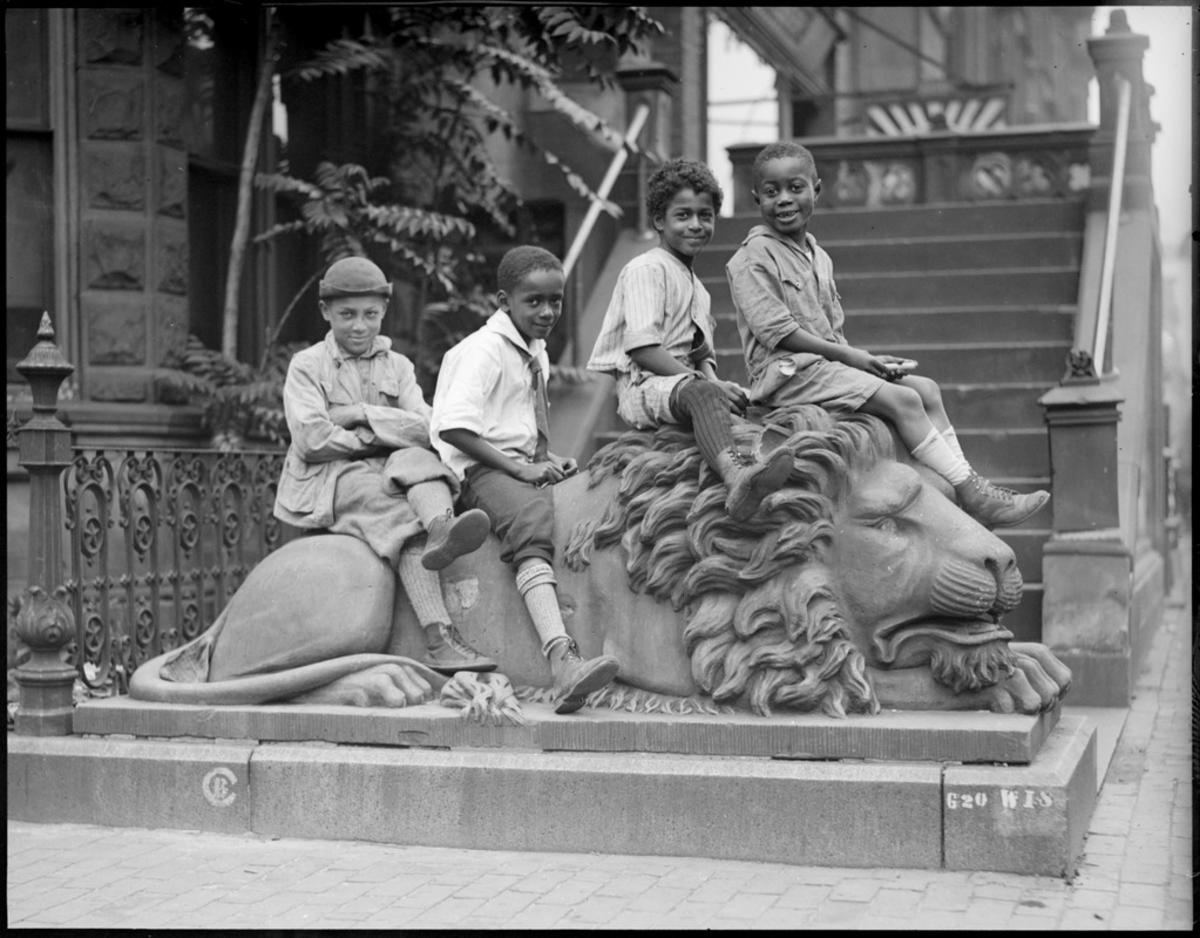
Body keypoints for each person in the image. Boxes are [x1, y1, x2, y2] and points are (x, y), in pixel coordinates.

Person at [725, 142, 1049, 528]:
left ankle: (970, 490)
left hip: (824, 368)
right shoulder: (752, 257)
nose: (783, 199)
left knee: (926, 389)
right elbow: (778, 332)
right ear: (756, 198)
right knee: (904, 400)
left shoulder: (817, 255)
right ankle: (973, 494)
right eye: (771, 191)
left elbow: (831, 333)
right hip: (787, 377)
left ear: (817, 190)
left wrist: (869, 363)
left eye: (795, 188)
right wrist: (852, 358)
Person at [273, 255, 497, 675]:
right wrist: (381, 434)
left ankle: (441, 529)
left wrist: (361, 414)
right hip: (333, 476)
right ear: (325, 312)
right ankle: (439, 639)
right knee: (402, 515)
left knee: (421, 461)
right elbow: (313, 440)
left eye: (370, 314)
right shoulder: (307, 366)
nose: (360, 326)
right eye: (347, 315)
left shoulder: (398, 365)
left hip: (392, 467)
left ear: (384, 311)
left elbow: (428, 427)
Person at [430, 245, 620, 714]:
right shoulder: (483, 351)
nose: (547, 312)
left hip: (513, 461)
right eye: (534, 301)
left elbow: (513, 428)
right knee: (531, 517)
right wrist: (519, 469)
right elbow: (453, 427)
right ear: (504, 301)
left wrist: (547, 458)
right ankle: (562, 658)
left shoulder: (535, 350)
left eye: (555, 300)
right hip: (476, 471)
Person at [586, 157, 792, 521]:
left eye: (705, 215)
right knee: (705, 393)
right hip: (645, 385)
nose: (696, 225)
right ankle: (735, 476)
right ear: (659, 221)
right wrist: (704, 384)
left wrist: (721, 386)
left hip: (683, 385)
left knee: (746, 399)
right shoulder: (647, 268)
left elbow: (701, 355)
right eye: (683, 216)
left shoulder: (698, 288)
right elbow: (643, 348)